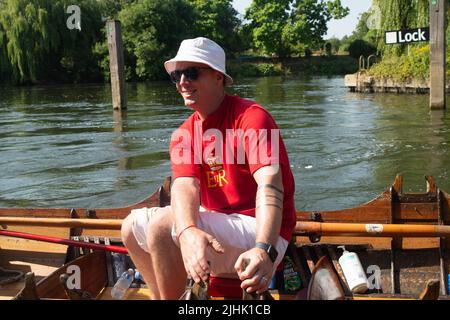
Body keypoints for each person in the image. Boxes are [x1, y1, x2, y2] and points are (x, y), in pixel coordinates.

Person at [121, 37, 296, 300]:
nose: (182, 82)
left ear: (218, 77)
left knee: (160, 227)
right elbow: (184, 187)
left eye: (192, 72)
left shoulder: (253, 117)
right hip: (219, 224)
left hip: (264, 233)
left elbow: (270, 185)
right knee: (131, 227)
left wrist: (264, 249)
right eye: (177, 75)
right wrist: (188, 230)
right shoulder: (183, 134)